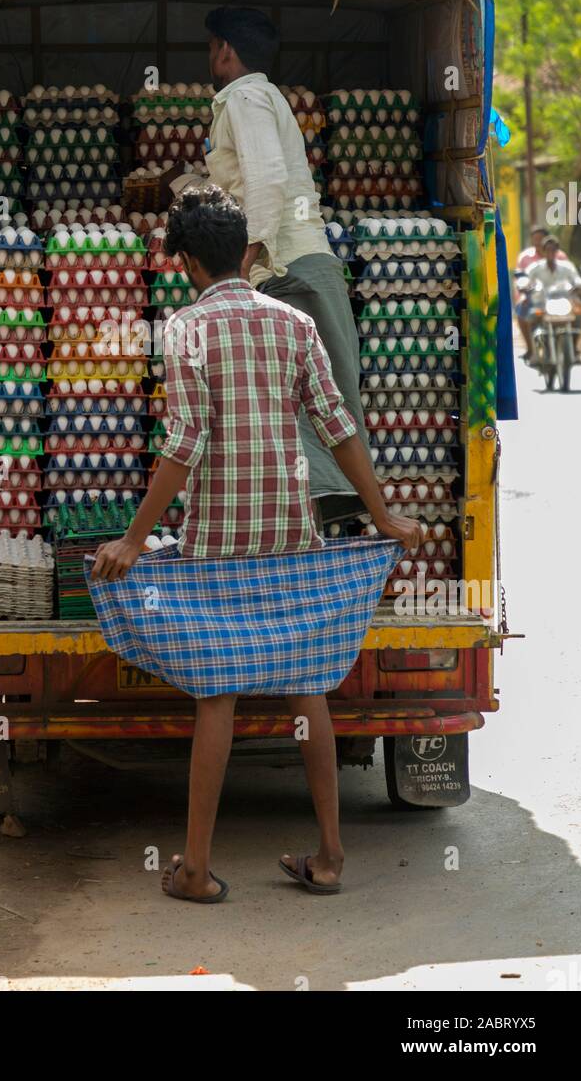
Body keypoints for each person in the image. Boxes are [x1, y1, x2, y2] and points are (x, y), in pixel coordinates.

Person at [90, 187, 421, 904]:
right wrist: (383, 513)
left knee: (217, 695)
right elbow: (338, 426)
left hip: (218, 539)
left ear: (182, 263)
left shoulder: (185, 330)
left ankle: (196, 870)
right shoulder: (293, 323)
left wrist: (132, 539)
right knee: (309, 689)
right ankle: (330, 856)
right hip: (290, 531)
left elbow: (183, 445)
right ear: (244, 252)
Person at [169, 6, 371, 527]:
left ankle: (334, 516)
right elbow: (251, 182)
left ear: (225, 50)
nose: (211, 55)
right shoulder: (256, 98)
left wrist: (245, 258)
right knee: (317, 398)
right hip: (295, 263)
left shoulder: (245, 96)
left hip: (289, 267)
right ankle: (335, 519)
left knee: (307, 401)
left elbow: (267, 179)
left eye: (212, 45)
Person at [525, 235, 581, 364]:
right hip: (543, 304)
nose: (551, 253)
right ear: (543, 251)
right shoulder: (536, 268)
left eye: (553, 250)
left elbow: (577, 280)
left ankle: (574, 349)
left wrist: (580, 285)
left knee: (579, 314)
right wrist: (526, 285)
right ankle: (535, 352)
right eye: (548, 250)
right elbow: (526, 280)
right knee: (531, 315)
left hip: (563, 303)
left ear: (557, 251)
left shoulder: (566, 267)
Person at [514, 226, 569, 361]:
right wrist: (523, 293)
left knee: (578, 310)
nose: (537, 242)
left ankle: (573, 346)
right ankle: (531, 349)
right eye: (535, 239)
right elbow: (521, 280)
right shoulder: (527, 260)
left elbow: (570, 277)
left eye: (540, 239)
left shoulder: (561, 258)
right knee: (521, 310)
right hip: (535, 298)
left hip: (559, 297)